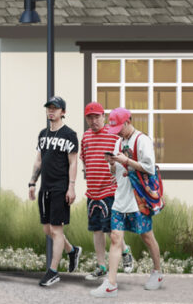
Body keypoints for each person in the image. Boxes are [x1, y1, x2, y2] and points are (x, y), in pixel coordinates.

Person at [28, 95, 81, 288]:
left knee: (57, 230)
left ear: (63, 112)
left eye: (55, 108)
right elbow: (39, 160)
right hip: (45, 187)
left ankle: (52, 271)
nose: (51, 111)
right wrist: (32, 182)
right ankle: (72, 250)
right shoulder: (43, 134)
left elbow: (73, 162)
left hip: (60, 187)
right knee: (47, 229)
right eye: (49, 108)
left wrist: (72, 186)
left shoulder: (69, 134)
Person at [77, 98, 129, 291]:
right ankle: (101, 266)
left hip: (110, 190)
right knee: (96, 229)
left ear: (103, 116)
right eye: (89, 118)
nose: (93, 121)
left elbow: (124, 160)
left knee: (110, 230)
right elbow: (84, 159)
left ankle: (125, 250)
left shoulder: (113, 136)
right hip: (92, 191)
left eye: (96, 117)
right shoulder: (86, 137)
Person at [116, 115, 169, 286]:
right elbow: (116, 172)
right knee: (115, 235)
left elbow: (149, 167)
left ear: (127, 122)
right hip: (123, 195)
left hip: (139, 196)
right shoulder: (119, 141)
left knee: (146, 235)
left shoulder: (142, 140)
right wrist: (112, 163)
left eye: (118, 127)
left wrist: (127, 161)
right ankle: (111, 280)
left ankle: (157, 271)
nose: (117, 132)